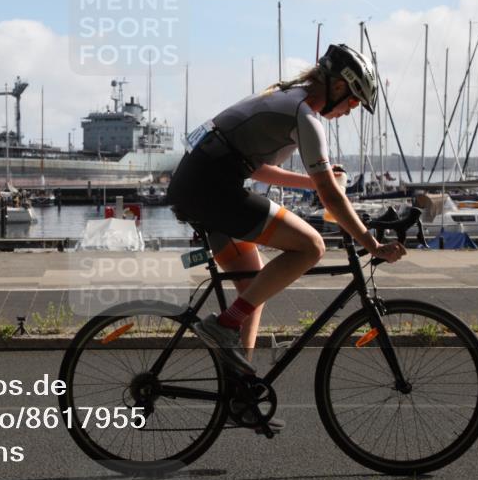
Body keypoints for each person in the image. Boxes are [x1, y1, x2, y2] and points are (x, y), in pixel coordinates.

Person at [168, 43, 406, 376]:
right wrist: (372, 244)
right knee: (311, 246)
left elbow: (257, 170)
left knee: (254, 290)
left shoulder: (287, 99)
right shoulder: (303, 115)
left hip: (201, 186)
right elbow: (331, 199)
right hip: (212, 190)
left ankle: (241, 387)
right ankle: (222, 326)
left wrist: (318, 181)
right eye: (354, 100)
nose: (351, 110)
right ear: (338, 86)